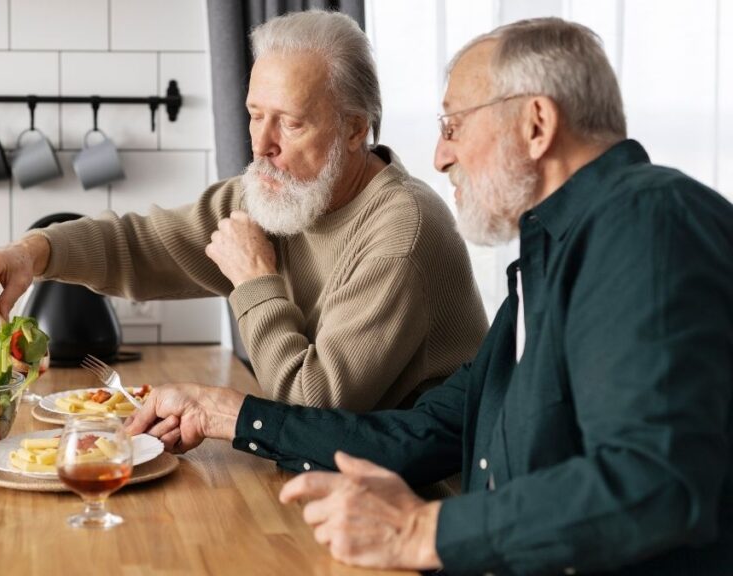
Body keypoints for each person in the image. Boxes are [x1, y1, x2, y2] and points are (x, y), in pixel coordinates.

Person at [126, 17, 733, 574]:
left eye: (453, 126)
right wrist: (229, 415)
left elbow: (655, 484)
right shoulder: (550, 258)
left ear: (537, 124)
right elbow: (421, 436)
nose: (440, 156)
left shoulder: (649, 221)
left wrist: (424, 530)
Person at [0, 11, 487, 412]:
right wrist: (33, 251)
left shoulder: (402, 230)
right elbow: (144, 245)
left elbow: (314, 401)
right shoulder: (284, 192)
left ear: (354, 128)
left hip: (418, 510)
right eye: (256, 115)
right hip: (330, 479)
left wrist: (255, 280)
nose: (261, 144)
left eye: (291, 123)